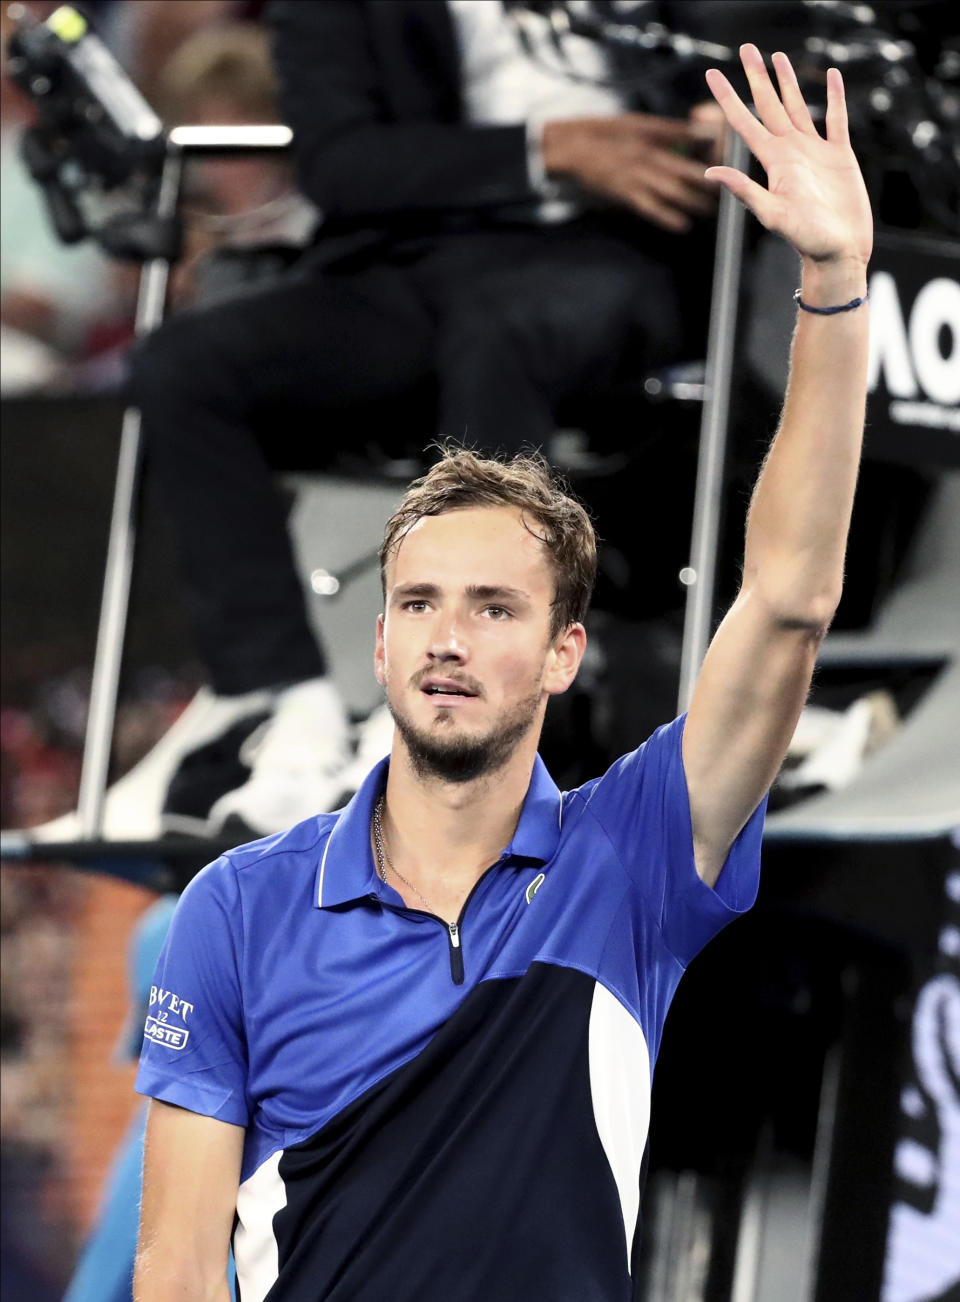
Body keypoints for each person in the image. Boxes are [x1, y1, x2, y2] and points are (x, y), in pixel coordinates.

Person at [132, 44, 873, 1301]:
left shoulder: (633, 860)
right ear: (378, 642)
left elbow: (790, 601)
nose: (448, 638)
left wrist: (836, 282)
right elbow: (175, 1265)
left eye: (493, 607)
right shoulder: (237, 909)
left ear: (563, 653)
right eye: (417, 603)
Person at [67, 0, 725, 844]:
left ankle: (454, 719)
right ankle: (290, 709)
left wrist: (716, 115)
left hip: (605, 256)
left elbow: (737, 46)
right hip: (413, 262)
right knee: (180, 364)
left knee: (498, 334)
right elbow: (343, 167)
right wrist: (546, 149)